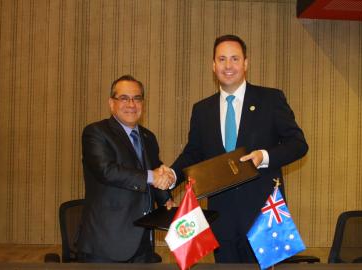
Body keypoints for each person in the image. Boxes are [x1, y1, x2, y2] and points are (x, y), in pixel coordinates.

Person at [170, 35, 308, 263]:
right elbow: (193, 152)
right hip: (222, 220)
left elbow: (298, 144)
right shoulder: (202, 109)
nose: (228, 65)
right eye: (222, 59)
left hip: (265, 218)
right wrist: (173, 176)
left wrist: (264, 156)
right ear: (213, 66)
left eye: (235, 59)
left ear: (245, 63)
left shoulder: (271, 99)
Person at [76, 75, 175, 263]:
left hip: (143, 242)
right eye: (124, 98)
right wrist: (153, 176)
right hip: (105, 243)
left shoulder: (148, 137)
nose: (131, 104)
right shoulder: (96, 132)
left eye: (137, 98)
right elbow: (107, 171)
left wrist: (166, 199)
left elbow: (154, 170)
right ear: (111, 103)